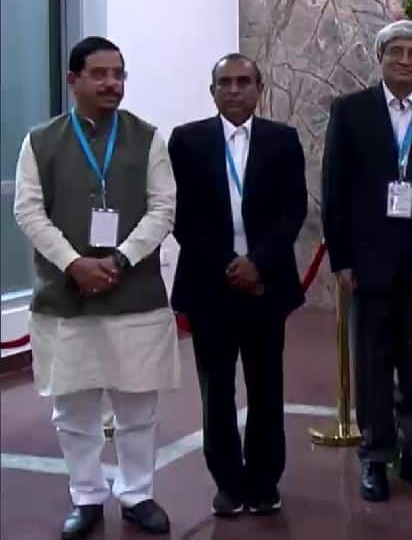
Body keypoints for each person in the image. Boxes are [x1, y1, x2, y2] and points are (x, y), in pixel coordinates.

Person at [12, 36, 180, 539]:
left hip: (135, 296)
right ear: (73, 81)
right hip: (65, 298)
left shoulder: (146, 137)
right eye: (100, 74)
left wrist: (120, 258)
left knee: (137, 406)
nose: (112, 83)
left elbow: (163, 208)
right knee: (74, 407)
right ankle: (85, 496)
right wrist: (74, 264)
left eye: (119, 74)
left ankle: (137, 494)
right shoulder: (40, 141)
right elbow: (27, 210)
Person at [322, 19, 412, 502]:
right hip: (369, 262)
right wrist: (341, 258)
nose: (406, 61)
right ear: (380, 58)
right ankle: (375, 458)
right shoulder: (350, 111)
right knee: (374, 362)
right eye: (396, 52)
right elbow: (334, 191)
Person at [168, 53, 307, 518]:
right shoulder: (187, 141)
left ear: (259, 88)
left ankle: (265, 482)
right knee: (217, 391)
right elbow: (181, 216)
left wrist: (257, 264)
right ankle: (228, 482)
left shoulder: (282, 140)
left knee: (267, 386)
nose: (233, 90)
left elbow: (293, 211)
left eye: (243, 81)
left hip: (265, 286)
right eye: (224, 83)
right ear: (212, 92)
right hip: (210, 285)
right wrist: (229, 264)